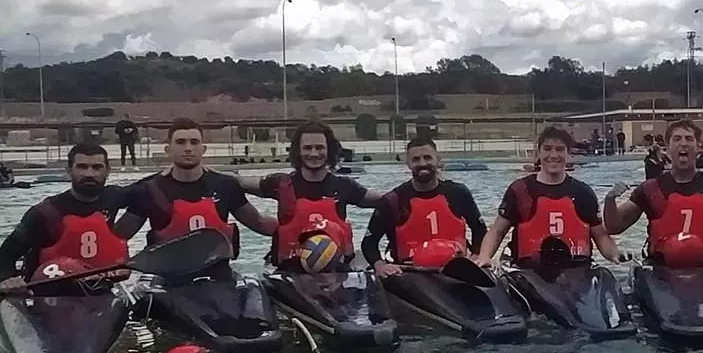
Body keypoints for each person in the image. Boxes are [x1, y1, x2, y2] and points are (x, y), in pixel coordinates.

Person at [603, 119, 703, 267]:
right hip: (660, 267)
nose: (683, 144)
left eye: (689, 139)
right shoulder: (649, 189)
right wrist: (610, 201)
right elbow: (614, 226)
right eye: (677, 139)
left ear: (698, 147)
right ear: (667, 147)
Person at [115, 117, 277, 256]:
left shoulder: (225, 185)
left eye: (194, 142)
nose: (188, 148)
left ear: (203, 149)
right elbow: (118, 237)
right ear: (168, 149)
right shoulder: (147, 190)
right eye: (180, 142)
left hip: (219, 275)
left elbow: (259, 223)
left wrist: (293, 229)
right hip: (167, 277)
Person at [234, 121, 383, 268]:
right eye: (307, 148)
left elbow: (387, 199)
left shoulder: (345, 186)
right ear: (298, 151)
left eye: (319, 148)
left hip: (336, 270)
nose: (313, 153)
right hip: (289, 269)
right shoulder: (280, 184)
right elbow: (239, 182)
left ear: (329, 150)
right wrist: (218, 177)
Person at [475, 126, 626, 267]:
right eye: (547, 149)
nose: (553, 155)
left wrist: (616, 254)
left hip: (576, 270)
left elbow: (601, 236)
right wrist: (484, 256)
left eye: (560, 149)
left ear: (568, 154)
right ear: (539, 153)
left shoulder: (583, 192)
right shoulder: (520, 190)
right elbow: (497, 231)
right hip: (528, 271)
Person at [0, 144, 133, 295]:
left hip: (99, 291)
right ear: (69, 171)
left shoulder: (114, 196)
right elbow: (5, 256)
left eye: (97, 167)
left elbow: (146, 188)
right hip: (49, 295)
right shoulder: (44, 213)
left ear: (108, 171)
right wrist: (9, 280)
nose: (89, 174)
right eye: (82, 167)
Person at [362, 138, 487, 278]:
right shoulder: (392, 200)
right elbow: (369, 242)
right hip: (408, 274)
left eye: (427, 158)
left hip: (455, 271)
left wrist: (477, 256)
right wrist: (380, 266)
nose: (422, 164)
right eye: (415, 159)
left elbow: (480, 229)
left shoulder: (459, 193)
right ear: (408, 164)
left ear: (438, 160)